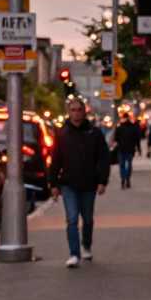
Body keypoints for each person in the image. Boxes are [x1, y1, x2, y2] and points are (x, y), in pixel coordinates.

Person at [49, 97, 110, 268]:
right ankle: (74, 253)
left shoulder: (94, 133)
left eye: (79, 110)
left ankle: (86, 246)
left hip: (89, 183)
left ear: (84, 111)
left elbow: (103, 158)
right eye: (73, 110)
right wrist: (53, 184)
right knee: (72, 219)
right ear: (69, 112)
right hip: (68, 184)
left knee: (88, 219)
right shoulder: (62, 133)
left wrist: (102, 181)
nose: (76, 113)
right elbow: (56, 160)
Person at [112, 111, 141, 190]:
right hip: (129, 149)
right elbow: (137, 139)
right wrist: (139, 149)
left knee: (122, 165)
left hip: (121, 149)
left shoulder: (119, 128)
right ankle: (126, 178)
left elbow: (115, 139)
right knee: (128, 165)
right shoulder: (133, 128)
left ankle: (124, 178)